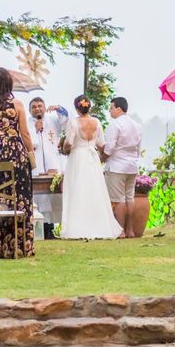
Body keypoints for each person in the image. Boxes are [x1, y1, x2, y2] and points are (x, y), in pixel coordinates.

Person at [0, 67, 35, 258]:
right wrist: (30, 154)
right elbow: (25, 134)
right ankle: (18, 245)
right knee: (18, 197)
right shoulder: (17, 104)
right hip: (15, 155)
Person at [61, 95, 122, 240]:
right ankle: (99, 225)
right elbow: (101, 144)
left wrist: (63, 148)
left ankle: (77, 226)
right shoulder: (97, 122)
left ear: (77, 108)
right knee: (94, 189)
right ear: (89, 107)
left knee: (77, 189)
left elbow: (69, 143)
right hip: (92, 158)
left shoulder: (73, 122)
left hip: (77, 157)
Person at [28, 97, 68, 239]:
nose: (37, 109)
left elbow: (66, 120)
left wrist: (58, 108)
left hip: (53, 162)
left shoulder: (52, 120)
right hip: (37, 164)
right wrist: (35, 130)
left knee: (53, 197)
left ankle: (52, 227)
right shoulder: (27, 123)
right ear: (30, 110)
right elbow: (31, 143)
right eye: (34, 107)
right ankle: (41, 228)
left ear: (44, 107)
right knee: (40, 198)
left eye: (40, 106)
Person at [102, 97, 142, 238]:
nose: (110, 110)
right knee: (129, 198)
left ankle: (120, 230)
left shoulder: (115, 124)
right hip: (132, 166)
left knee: (118, 199)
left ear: (119, 109)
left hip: (117, 166)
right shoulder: (137, 125)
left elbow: (110, 147)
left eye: (111, 107)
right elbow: (138, 148)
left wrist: (102, 158)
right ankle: (130, 229)